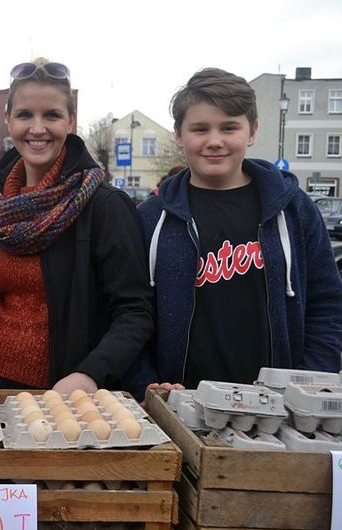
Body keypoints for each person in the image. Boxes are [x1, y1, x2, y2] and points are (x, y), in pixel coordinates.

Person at [132, 68, 342, 399]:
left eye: (229, 127)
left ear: (252, 130)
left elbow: (327, 303)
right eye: (200, 129)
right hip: (180, 406)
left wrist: (310, 382)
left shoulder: (294, 209)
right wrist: (146, 382)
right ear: (179, 134)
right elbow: (131, 312)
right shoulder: (150, 219)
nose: (214, 141)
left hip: (281, 410)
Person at [0, 58, 155, 395]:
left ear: (71, 121)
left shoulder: (104, 206)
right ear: (8, 120)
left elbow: (135, 312)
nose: (38, 128)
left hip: (71, 394)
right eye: (25, 115)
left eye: (52, 115)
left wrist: (91, 373)